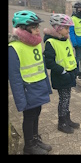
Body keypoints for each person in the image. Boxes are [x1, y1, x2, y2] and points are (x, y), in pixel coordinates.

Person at [9, 10, 53, 154]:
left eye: (37, 27)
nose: (37, 30)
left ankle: (35, 139)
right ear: (22, 29)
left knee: (37, 112)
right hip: (27, 89)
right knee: (29, 116)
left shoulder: (35, 44)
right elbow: (14, 78)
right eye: (34, 28)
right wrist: (20, 101)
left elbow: (41, 69)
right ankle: (29, 145)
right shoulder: (14, 48)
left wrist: (47, 87)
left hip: (38, 87)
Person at [43, 13, 79, 134]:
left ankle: (67, 119)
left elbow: (70, 55)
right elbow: (49, 62)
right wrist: (62, 71)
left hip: (69, 74)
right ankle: (62, 122)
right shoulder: (51, 42)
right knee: (63, 99)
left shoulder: (65, 39)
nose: (68, 30)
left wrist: (75, 68)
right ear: (58, 28)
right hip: (61, 76)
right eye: (66, 28)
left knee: (67, 98)